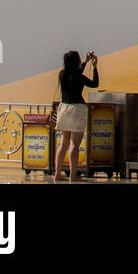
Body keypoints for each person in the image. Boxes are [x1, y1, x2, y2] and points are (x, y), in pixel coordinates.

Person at [54, 49, 98, 182]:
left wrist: (85, 62)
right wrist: (95, 68)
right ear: (76, 62)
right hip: (77, 109)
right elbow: (94, 84)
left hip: (64, 108)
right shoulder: (79, 77)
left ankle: (57, 174)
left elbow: (76, 73)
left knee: (63, 143)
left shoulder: (62, 74)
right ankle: (73, 175)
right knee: (74, 144)